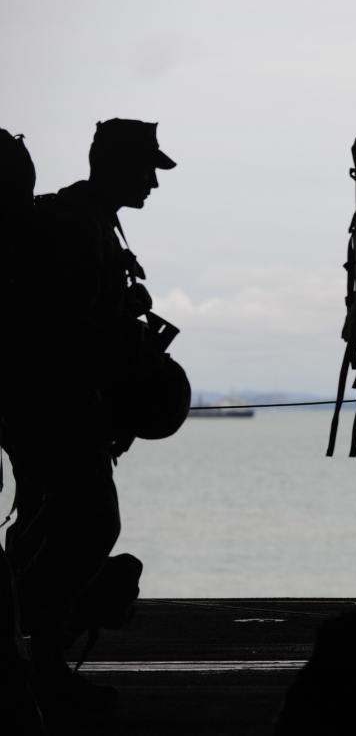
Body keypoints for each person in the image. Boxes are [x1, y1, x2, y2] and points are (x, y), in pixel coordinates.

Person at [3, 119, 174, 712]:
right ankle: (44, 665)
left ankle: (32, 664)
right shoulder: (79, 227)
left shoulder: (92, 221)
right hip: (58, 409)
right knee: (90, 526)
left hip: (49, 408)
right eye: (147, 167)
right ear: (115, 165)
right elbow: (69, 328)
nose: (154, 180)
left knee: (44, 530)